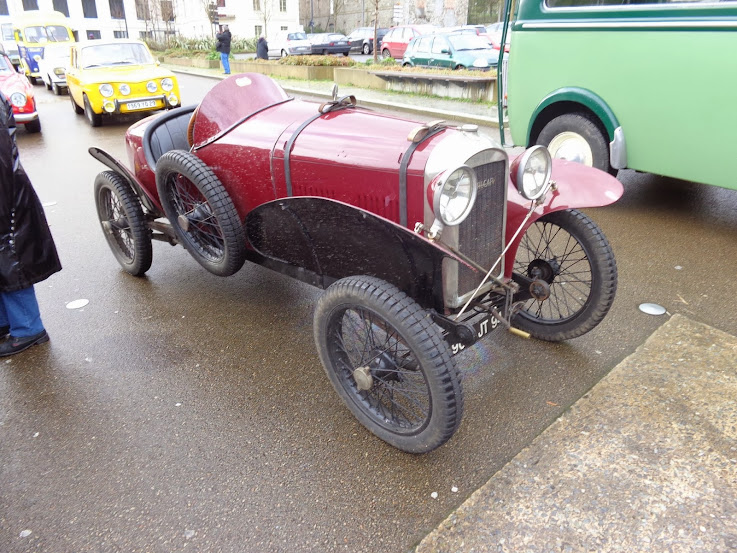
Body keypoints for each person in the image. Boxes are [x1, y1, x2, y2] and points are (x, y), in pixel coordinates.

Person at [0, 94, 61, 357]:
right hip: (6, 190)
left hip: (5, 193)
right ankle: (7, 322)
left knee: (11, 258)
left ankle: (27, 329)